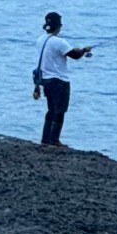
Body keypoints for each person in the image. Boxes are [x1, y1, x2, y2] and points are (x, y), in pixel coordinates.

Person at [33, 11, 92, 147]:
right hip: (60, 80)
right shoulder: (59, 42)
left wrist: (77, 50)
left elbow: (65, 52)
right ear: (59, 26)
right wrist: (83, 50)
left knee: (51, 109)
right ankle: (54, 140)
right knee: (60, 111)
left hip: (46, 80)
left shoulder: (41, 40)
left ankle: (45, 138)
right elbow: (75, 56)